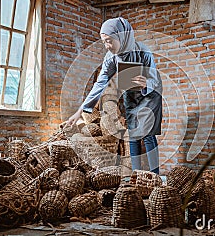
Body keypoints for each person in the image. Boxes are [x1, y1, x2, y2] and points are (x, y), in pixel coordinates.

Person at [63, 17, 162, 174]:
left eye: (109, 40)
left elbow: (155, 79)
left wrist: (146, 83)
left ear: (121, 36)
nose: (108, 46)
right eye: (104, 42)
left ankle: (155, 175)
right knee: (134, 136)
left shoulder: (143, 51)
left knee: (148, 135)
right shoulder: (111, 58)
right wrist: (79, 111)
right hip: (131, 94)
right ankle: (136, 175)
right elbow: (99, 84)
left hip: (150, 95)